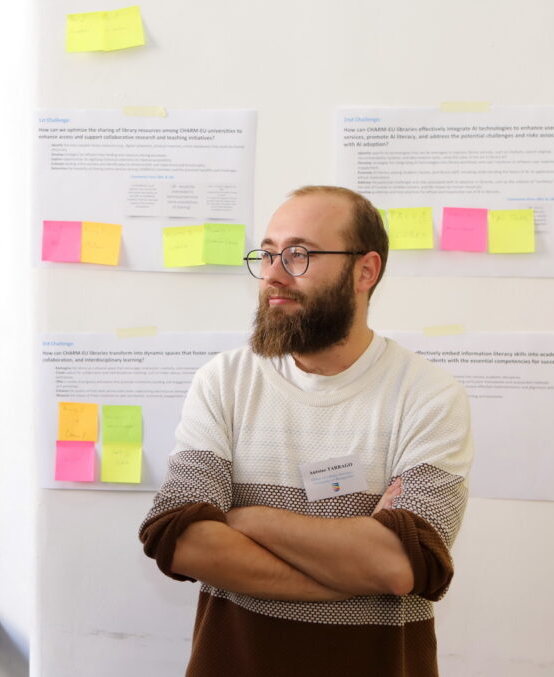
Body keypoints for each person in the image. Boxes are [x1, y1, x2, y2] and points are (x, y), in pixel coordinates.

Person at [139, 185, 472, 676]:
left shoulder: (428, 396)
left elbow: (404, 564)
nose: (273, 274)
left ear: (366, 270)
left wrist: (246, 518)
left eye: (298, 255)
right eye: (268, 254)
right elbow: (180, 539)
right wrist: (356, 567)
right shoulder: (225, 382)